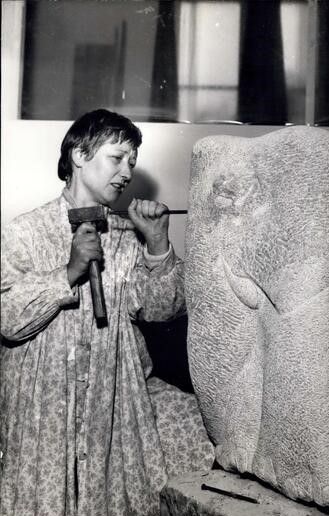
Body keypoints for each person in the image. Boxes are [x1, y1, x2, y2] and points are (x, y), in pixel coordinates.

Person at [0, 109, 214, 516]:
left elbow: (160, 309)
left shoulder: (123, 235)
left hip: (111, 400)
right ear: (79, 154)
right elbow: (8, 319)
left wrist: (156, 245)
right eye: (117, 158)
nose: (126, 172)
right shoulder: (23, 232)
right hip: (43, 406)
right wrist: (69, 272)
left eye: (132, 162)